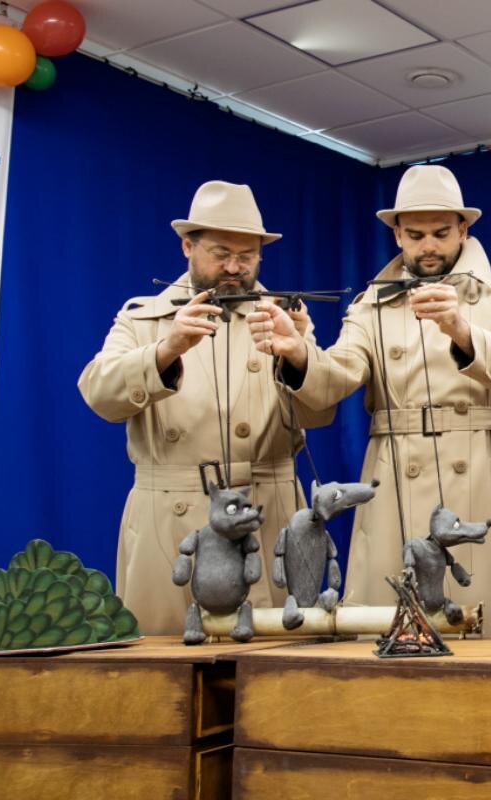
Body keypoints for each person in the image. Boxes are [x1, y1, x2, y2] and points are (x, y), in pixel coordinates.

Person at [247, 165, 491, 615]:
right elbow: (340, 374)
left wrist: (461, 330)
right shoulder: (371, 305)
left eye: (441, 233)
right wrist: (297, 353)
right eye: (415, 234)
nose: (428, 246)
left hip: (478, 472)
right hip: (394, 476)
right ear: (396, 235)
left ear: (463, 230)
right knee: (389, 618)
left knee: (478, 617)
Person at [79, 181, 329, 635]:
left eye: (247, 255)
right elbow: (99, 394)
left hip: (266, 514)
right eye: (220, 253)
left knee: (271, 670)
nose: (234, 267)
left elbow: (321, 409)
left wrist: (298, 355)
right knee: (168, 670)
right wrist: (166, 349)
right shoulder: (143, 319)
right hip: (171, 523)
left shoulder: (281, 318)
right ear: (187, 246)